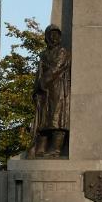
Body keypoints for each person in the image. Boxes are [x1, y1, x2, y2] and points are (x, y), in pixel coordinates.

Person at [28, 25, 71, 157]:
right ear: (47, 37)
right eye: (51, 35)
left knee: (57, 119)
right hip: (45, 90)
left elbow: (57, 67)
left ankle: (56, 149)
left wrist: (43, 82)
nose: (54, 37)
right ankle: (40, 148)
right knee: (43, 120)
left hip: (59, 88)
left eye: (56, 34)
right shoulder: (43, 54)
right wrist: (37, 89)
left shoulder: (62, 51)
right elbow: (39, 73)